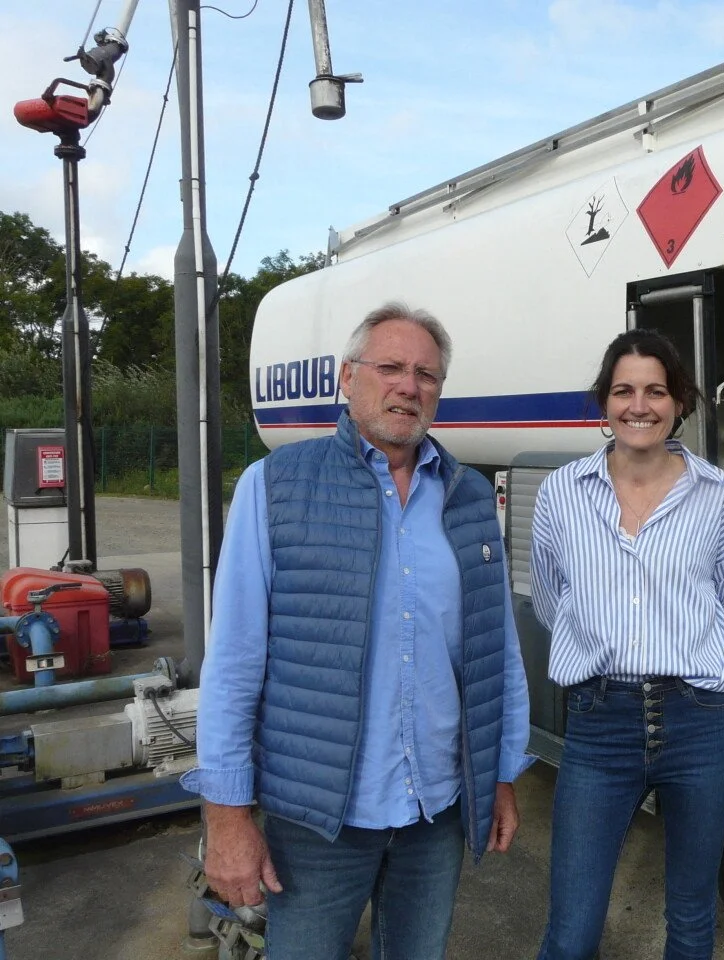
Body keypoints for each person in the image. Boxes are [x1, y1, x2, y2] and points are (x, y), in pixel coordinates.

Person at [181, 302, 533, 960]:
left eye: (427, 374)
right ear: (348, 379)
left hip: (435, 813)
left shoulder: (470, 498)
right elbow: (232, 663)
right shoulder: (276, 486)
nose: (408, 385)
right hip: (318, 822)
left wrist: (502, 773)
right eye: (391, 367)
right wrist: (226, 816)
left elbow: (496, 653)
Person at [530, 328, 724, 960]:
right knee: (571, 928)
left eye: (656, 390)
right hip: (600, 725)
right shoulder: (561, 494)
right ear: (604, 402)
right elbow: (553, 602)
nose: (640, 405)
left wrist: (678, 645)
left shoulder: (716, 496)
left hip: (702, 721)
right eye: (624, 390)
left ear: (679, 401)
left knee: (690, 915)